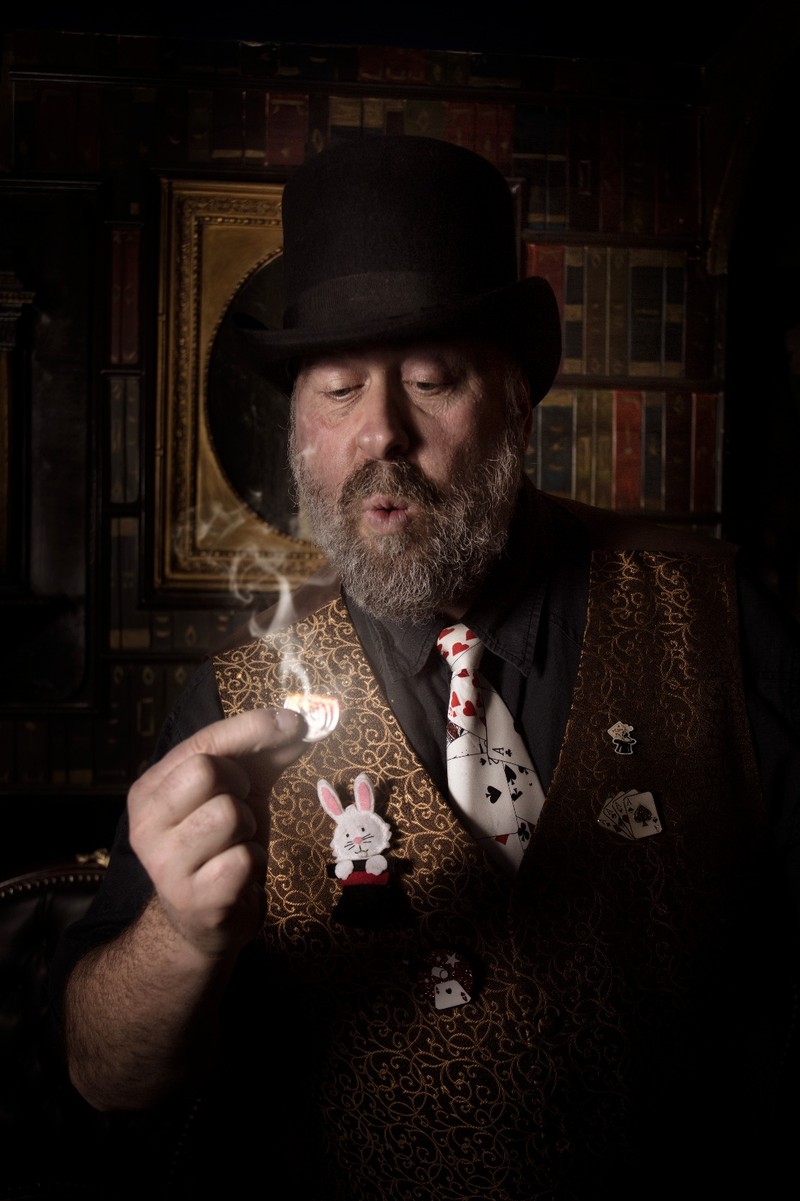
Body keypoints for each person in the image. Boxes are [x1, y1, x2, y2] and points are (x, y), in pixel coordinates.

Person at [52, 136, 800, 1201]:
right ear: (299, 432)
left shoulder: (721, 623)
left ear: (515, 403)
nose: (380, 435)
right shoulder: (231, 704)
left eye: (431, 381)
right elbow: (105, 1073)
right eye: (338, 390)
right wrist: (179, 933)